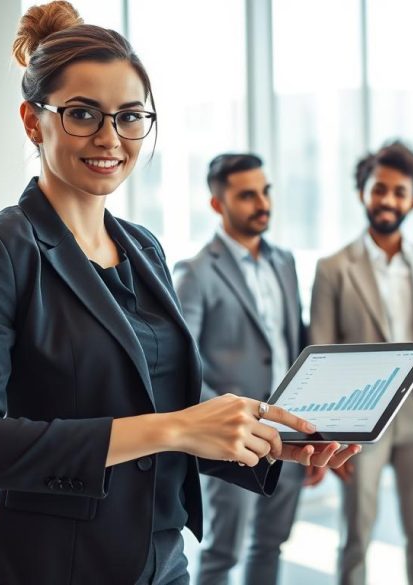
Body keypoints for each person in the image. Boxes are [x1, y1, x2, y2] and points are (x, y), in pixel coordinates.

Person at [0, 3, 357, 584]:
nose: (110, 137)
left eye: (130, 117)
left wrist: (260, 438)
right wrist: (176, 427)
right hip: (47, 565)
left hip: (159, 558)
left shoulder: (143, 248)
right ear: (33, 121)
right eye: (83, 114)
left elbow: (159, 403)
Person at [308, 141, 413, 585]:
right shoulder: (333, 268)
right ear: (363, 192)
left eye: (400, 192)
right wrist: (330, 440)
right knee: (355, 536)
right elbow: (319, 356)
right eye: (380, 189)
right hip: (361, 422)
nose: (388, 200)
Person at [173, 153, 308, 585]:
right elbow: (181, 362)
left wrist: (311, 429)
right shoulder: (195, 272)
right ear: (218, 204)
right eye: (247, 195)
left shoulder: (284, 261)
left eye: (265, 191)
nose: (261, 203)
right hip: (233, 436)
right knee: (221, 553)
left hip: (286, 432)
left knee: (271, 543)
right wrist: (223, 421)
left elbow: (294, 344)